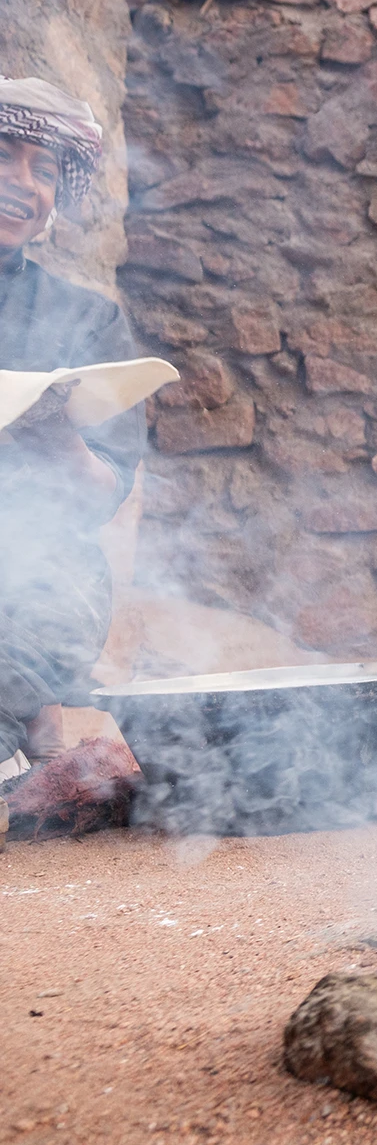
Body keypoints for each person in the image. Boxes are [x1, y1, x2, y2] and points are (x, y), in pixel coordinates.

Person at [0, 76, 145, 775]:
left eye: (46, 170)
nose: (22, 183)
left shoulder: (87, 320)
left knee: (59, 590)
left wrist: (51, 430)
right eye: (4, 155)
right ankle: (28, 715)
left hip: (32, 570)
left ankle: (23, 704)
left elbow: (100, 495)